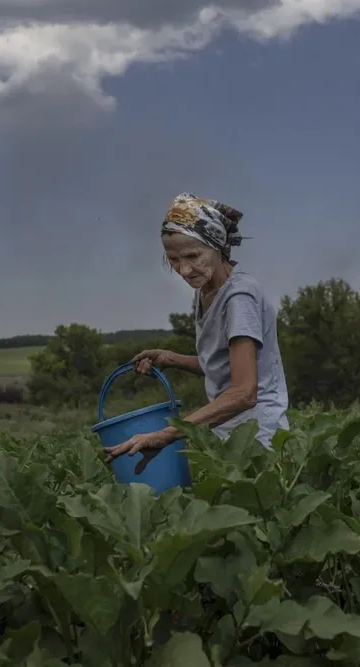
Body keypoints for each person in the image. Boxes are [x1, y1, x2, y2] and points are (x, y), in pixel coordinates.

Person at [105, 193, 290, 472]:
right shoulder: (207, 291)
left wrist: (165, 435)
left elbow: (244, 392)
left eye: (193, 256)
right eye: (173, 260)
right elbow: (223, 366)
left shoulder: (238, 298)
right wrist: (172, 359)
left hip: (257, 438)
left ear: (217, 246)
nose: (184, 270)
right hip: (228, 433)